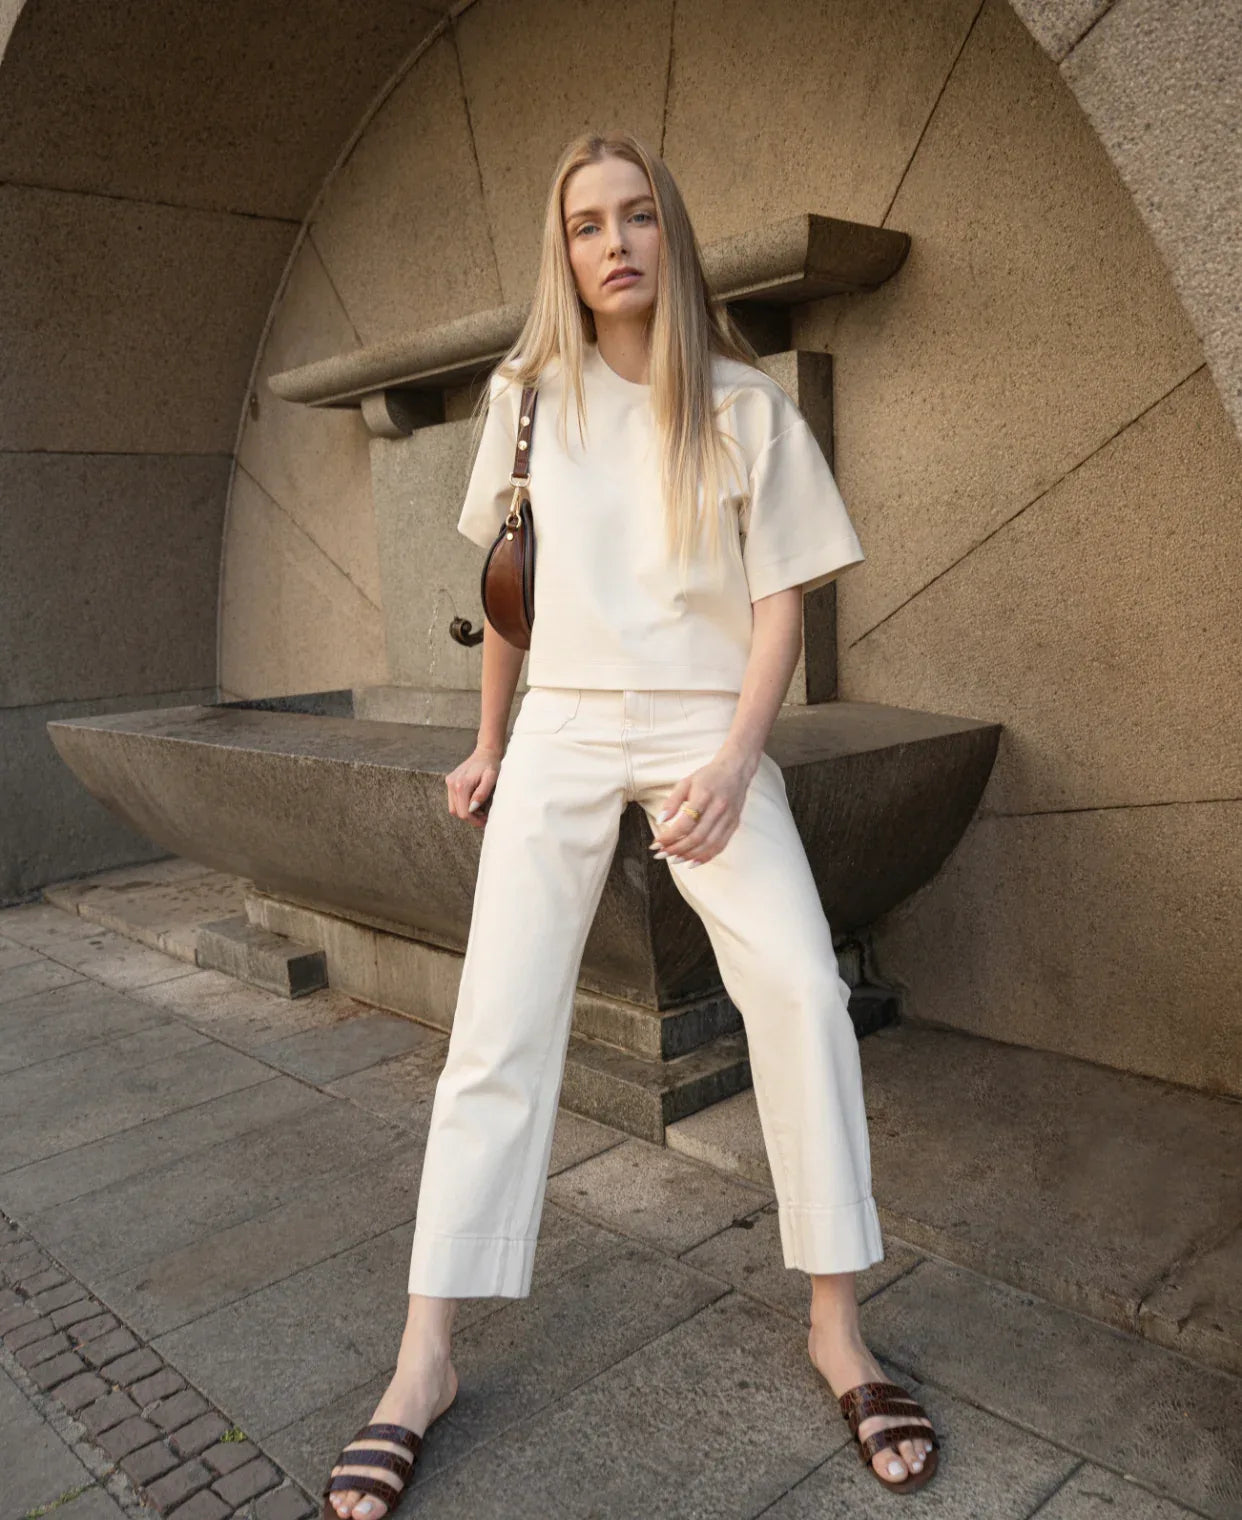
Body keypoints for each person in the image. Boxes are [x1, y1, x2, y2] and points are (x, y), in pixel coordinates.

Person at [321, 130, 939, 1517]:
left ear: (672, 234)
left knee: (801, 988)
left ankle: (837, 1325)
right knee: (496, 1024)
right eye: (587, 223)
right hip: (560, 722)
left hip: (706, 727)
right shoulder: (523, 399)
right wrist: (489, 743)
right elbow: (511, 591)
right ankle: (423, 1360)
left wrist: (737, 756)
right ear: (563, 249)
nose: (614, 243)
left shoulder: (743, 406)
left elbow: (781, 601)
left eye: (638, 216)